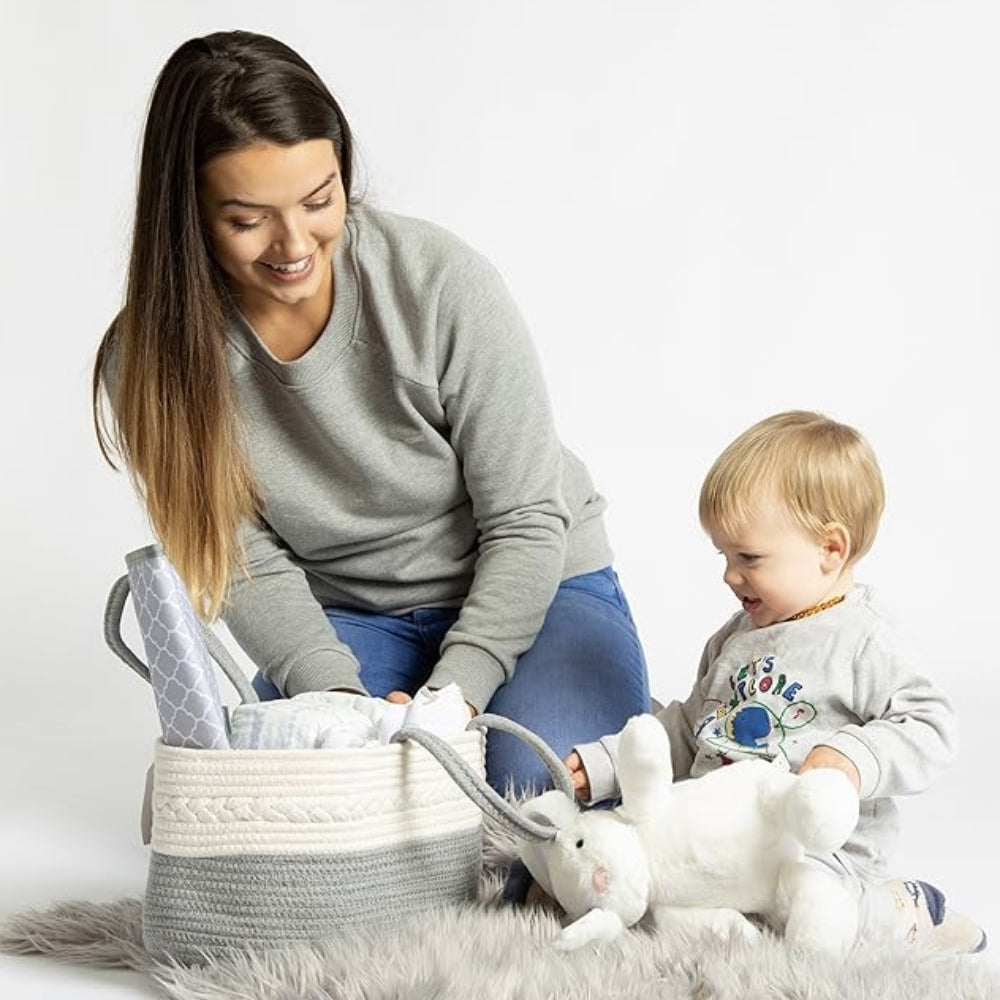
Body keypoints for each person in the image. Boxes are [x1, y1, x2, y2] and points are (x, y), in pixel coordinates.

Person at [92, 29, 650, 794]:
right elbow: (240, 564)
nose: (294, 244)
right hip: (351, 622)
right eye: (248, 219)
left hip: (543, 587)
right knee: (300, 803)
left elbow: (526, 518)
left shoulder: (439, 283)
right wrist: (339, 700)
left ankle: (604, 705)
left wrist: (455, 694)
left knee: (530, 796)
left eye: (319, 201)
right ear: (186, 213)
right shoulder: (151, 360)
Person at [554, 410, 984, 953]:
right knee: (646, 894)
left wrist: (851, 758)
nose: (730, 575)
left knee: (827, 923)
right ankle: (731, 936)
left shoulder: (862, 640)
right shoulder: (734, 639)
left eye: (748, 558)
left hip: (814, 849)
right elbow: (688, 728)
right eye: (725, 555)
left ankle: (908, 912)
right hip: (719, 845)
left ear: (831, 549)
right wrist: (610, 762)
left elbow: (932, 725)